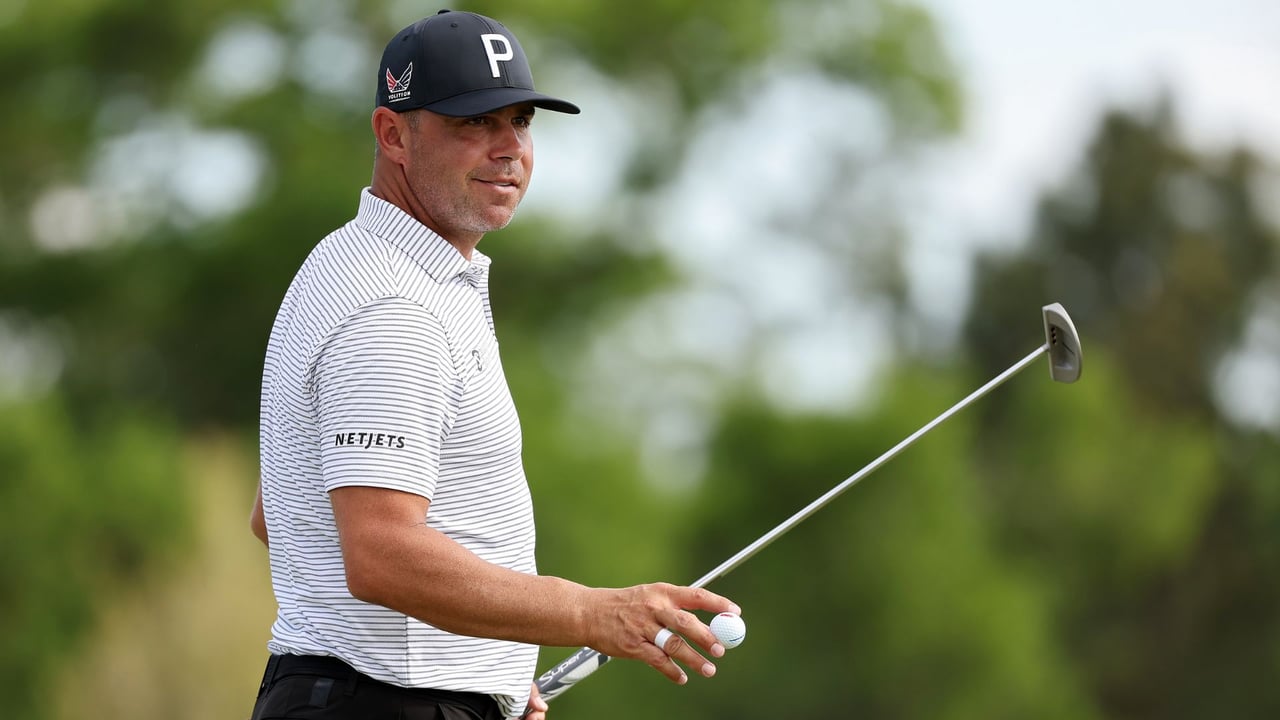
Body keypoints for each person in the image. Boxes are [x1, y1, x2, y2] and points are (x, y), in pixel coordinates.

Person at [248, 10, 740, 720]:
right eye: (474, 123)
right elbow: (379, 550)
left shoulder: (362, 264)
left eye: (520, 122)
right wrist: (589, 612)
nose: (509, 148)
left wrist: (480, 668)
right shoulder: (392, 307)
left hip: (378, 696)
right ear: (394, 135)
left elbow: (282, 513)